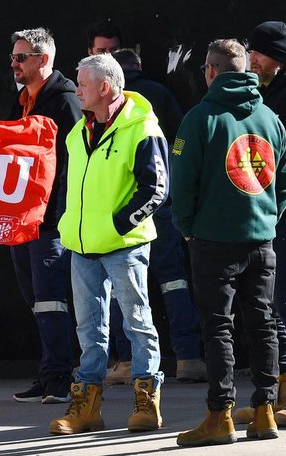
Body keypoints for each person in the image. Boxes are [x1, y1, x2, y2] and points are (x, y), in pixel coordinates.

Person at [172, 39, 286, 446]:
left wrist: (187, 227)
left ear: (210, 69)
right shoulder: (269, 118)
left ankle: (219, 415)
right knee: (263, 326)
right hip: (261, 242)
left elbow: (182, 183)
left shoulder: (199, 118)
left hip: (212, 241)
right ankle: (264, 413)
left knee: (218, 329)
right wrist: (265, 220)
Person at [51, 53, 168, 435]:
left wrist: (119, 225)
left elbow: (157, 190)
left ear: (104, 87)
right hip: (82, 246)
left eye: (82, 84)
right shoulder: (78, 131)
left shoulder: (143, 128)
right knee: (89, 329)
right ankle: (87, 408)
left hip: (125, 245)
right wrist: (67, 222)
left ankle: (147, 401)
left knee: (137, 323)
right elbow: (70, 183)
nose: (76, 89)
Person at [232, 21, 286, 428]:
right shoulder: (270, 88)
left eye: (258, 54)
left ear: (278, 55)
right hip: (271, 212)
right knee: (272, 302)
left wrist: (266, 193)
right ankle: (283, 390)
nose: (252, 61)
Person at [102, 49, 206, 384]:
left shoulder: (105, 103)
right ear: (140, 67)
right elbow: (181, 138)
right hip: (161, 203)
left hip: (121, 208)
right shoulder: (159, 93)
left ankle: (127, 361)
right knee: (173, 280)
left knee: (122, 288)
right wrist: (170, 160)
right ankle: (188, 357)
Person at [6, 28, 78, 404]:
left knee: (52, 301)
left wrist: (59, 214)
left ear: (42, 59)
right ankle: (49, 372)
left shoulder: (64, 101)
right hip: (22, 222)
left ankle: (60, 380)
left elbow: (71, 164)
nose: (13, 63)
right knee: (38, 301)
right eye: (14, 57)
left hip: (49, 223)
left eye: (20, 57)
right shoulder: (23, 100)